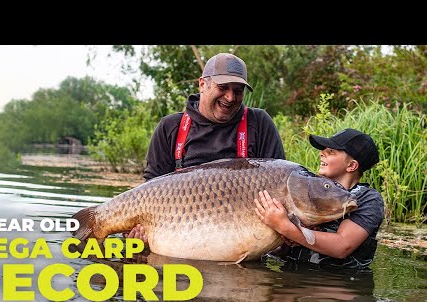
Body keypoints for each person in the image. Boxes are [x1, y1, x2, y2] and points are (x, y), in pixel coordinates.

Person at [126, 52, 285, 240]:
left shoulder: (258, 123)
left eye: (238, 91)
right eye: (223, 87)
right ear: (203, 84)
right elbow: (151, 188)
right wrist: (139, 230)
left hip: (242, 237)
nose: (230, 97)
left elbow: (279, 181)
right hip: (179, 236)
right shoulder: (171, 127)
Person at [254, 128, 384, 269]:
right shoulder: (308, 193)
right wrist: (289, 239)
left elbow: (342, 246)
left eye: (331, 152)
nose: (322, 154)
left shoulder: (369, 199)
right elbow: (282, 251)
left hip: (337, 281)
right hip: (292, 276)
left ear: (352, 165)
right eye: (324, 151)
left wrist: (285, 227)